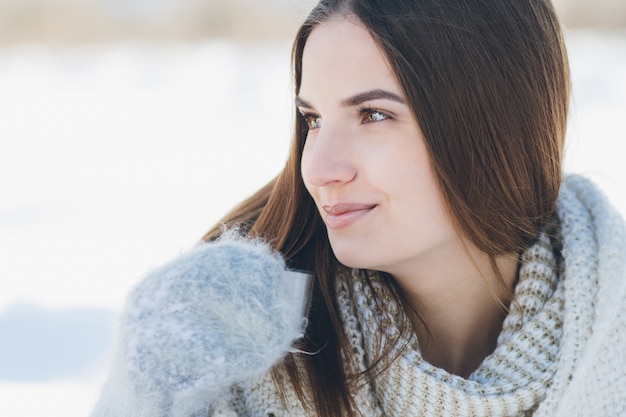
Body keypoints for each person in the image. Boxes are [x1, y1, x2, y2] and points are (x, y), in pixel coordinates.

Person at [90, 0, 626, 416]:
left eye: (372, 114)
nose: (319, 168)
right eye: (313, 120)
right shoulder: (240, 339)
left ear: (497, 127)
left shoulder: (610, 320)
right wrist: (141, 397)